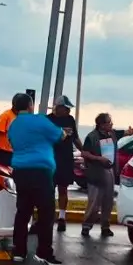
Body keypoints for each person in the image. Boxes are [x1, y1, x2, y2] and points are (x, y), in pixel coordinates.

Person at [7, 94, 67, 265]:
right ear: (30, 105)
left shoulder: (14, 125)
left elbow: (13, 144)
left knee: (23, 212)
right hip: (41, 172)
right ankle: (44, 253)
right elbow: (60, 136)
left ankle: (19, 251)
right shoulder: (40, 120)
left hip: (20, 172)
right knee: (46, 213)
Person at [80, 112, 133, 237]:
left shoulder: (113, 134)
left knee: (108, 202)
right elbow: (84, 153)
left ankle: (105, 227)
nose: (111, 124)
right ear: (101, 125)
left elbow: (130, 132)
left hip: (109, 171)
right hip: (95, 172)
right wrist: (99, 158)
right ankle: (87, 226)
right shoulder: (92, 137)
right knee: (94, 203)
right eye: (109, 122)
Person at [46, 95, 84, 232]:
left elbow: (75, 138)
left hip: (65, 158)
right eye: (66, 108)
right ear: (58, 107)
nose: (68, 111)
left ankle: (62, 217)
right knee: (48, 190)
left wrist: (84, 151)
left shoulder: (70, 120)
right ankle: (47, 217)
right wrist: (60, 133)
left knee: (63, 188)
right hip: (50, 158)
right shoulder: (48, 120)